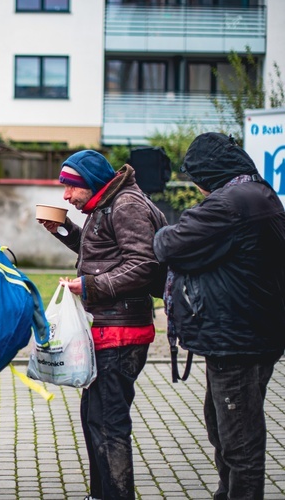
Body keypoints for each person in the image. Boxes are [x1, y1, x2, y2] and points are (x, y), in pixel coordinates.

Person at [153, 132, 285, 500]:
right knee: (223, 427)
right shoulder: (259, 194)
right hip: (257, 333)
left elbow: (168, 244)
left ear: (209, 172)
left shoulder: (229, 203)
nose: (198, 190)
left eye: (198, 180)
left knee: (239, 441)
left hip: (236, 340)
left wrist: (169, 236)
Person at [39, 150, 166, 500]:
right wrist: (63, 228)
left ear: (89, 183)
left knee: (108, 425)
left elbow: (144, 264)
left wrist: (91, 286)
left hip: (122, 332)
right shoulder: (105, 204)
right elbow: (100, 250)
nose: (65, 196)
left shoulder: (126, 205)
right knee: (95, 418)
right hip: (107, 330)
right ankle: (101, 494)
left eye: (69, 187)